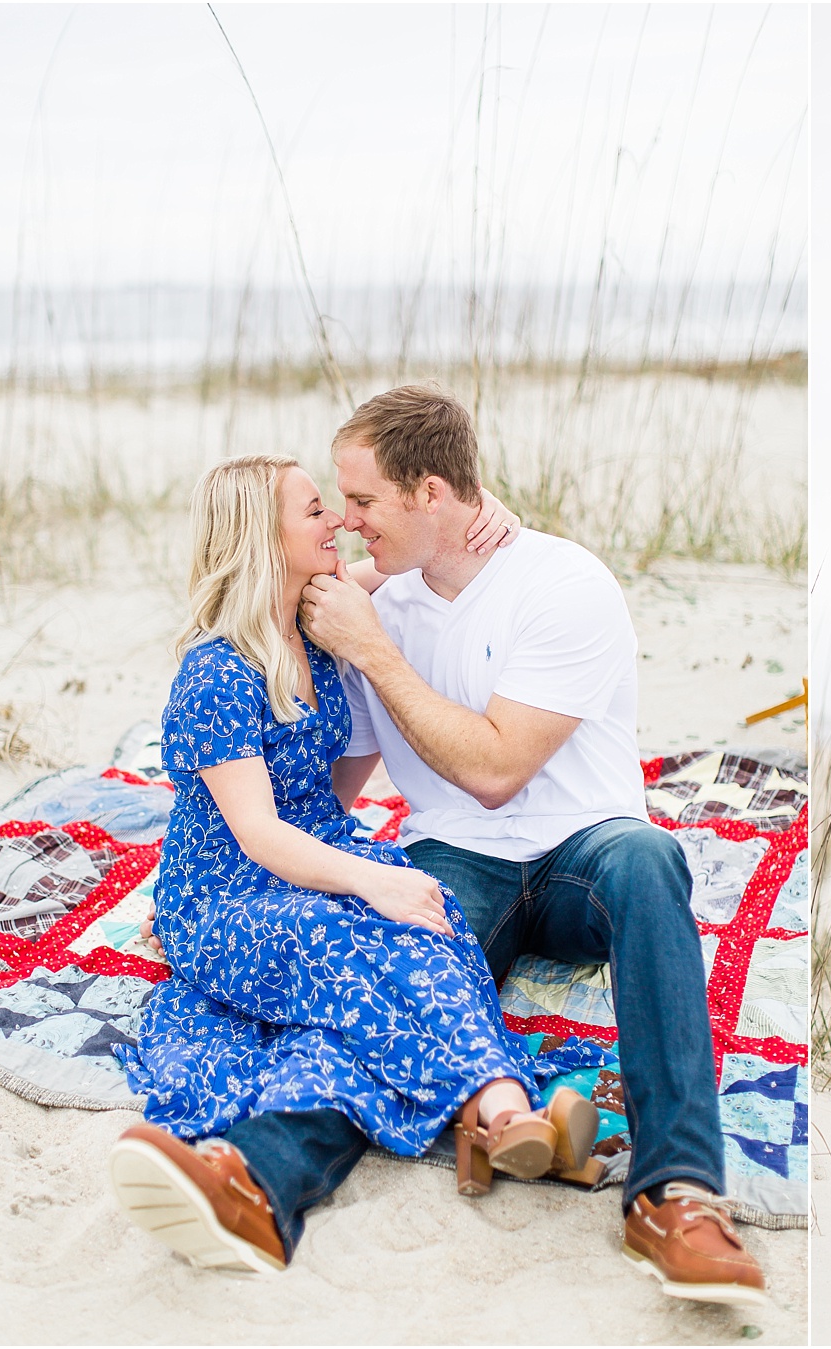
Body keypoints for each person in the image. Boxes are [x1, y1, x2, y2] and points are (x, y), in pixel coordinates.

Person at [291, 383, 767, 1307]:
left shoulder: (564, 583)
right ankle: (266, 1174)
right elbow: (335, 777)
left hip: (581, 847)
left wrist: (377, 649)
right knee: (384, 953)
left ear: (433, 493)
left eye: (364, 502)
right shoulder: (371, 598)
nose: (347, 525)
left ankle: (676, 1195)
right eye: (340, 506)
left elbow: (499, 768)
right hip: (453, 856)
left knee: (650, 856)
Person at [110, 455, 599, 1275]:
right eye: (314, 512)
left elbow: (412, 552)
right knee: (361, 932)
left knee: (430, 912)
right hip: (228, 889)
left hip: (315, 854)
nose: (336, 520)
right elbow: (261, 835)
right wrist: (373, 876)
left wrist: (487, 514)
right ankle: (502, 1103)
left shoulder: (318, 630)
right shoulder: (215, 672)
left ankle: (490, 1113)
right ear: (267, 542)